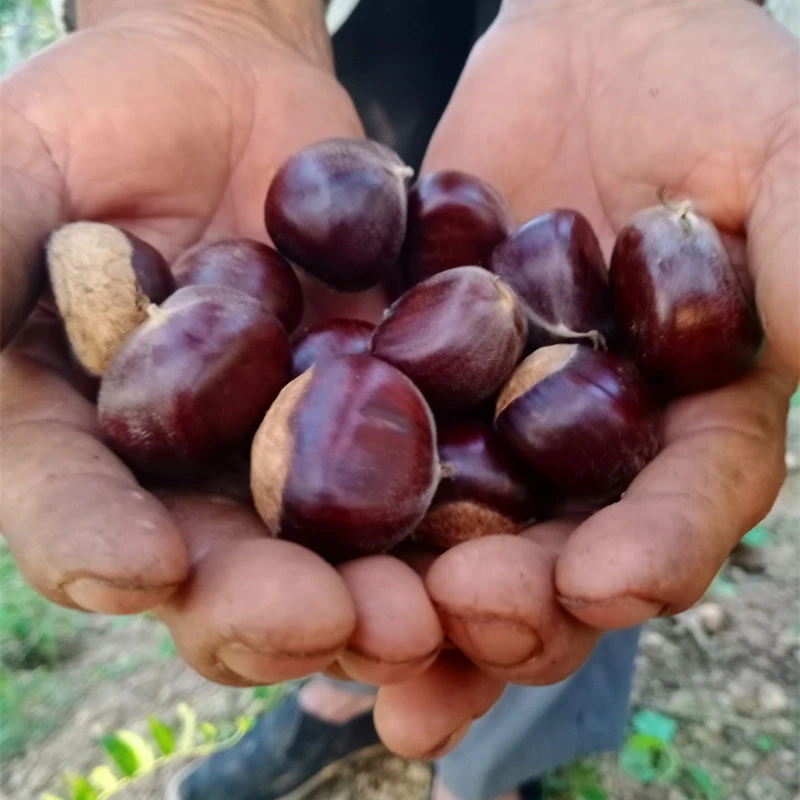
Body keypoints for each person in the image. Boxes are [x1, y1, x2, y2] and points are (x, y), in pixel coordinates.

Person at [0, 0, 797, 799]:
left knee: (571, 559)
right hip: (375, 57)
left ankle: (492, 772)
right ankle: (342, 700)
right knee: (354, 597)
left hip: (554, 93)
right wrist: (202, 17)